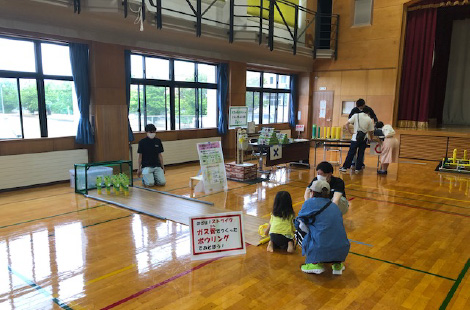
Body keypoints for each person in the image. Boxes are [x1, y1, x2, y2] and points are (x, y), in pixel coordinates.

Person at [296, 180, 350, 275]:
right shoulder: (334, 205)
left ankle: (315, 263)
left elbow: (299, 221)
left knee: (298, 229)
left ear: (312, 192)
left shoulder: (309, 203)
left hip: (321, 247)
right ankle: (337, 265)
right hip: (342, 248)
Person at [339, 107, 375, 173]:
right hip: (364, 138)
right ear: (368, 112)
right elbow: (371, 131)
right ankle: (358, 168)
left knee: (351, 153)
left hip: (355, 138)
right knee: (361, 153)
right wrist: (371, 138)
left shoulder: (356, 115)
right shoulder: (369, 119)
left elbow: (346, 123)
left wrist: (350, 132)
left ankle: (345, 167)